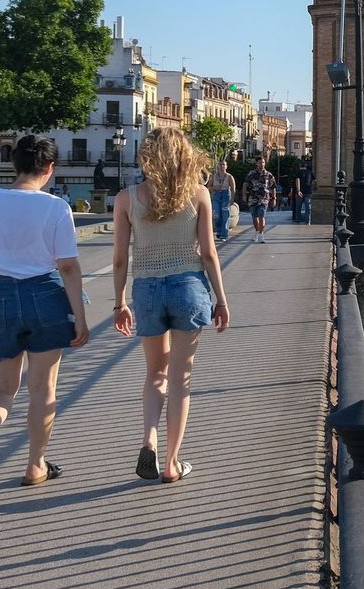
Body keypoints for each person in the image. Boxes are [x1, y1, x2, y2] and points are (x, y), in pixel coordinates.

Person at [0, 135, 91, 492]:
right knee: (42, 389)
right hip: (44, 294)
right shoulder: (56, 207)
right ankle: (35, 465)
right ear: (50, 168)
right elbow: (69, 268)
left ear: (15, 164)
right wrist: (81, 318)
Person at [111, 127, 230, 483]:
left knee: (155, 374)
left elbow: (119, 259)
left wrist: (119, 303)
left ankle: (149, 438)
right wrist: (221, 300)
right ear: (184, 155)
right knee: (181, 378)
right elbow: (208, 253)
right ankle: (171, 463)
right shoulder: (199, 195)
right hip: (189, 287)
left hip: (146, 290)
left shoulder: (126, 198)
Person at [243, 155, 276, 244]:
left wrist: (274, 198)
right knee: (255, 217)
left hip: (264, 198)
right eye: (260, 162)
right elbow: (245, 184)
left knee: (262, 215)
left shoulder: (269, 175)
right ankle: (257, 231)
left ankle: (261, 234)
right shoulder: (251, 174)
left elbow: (273, 187)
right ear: (256, 164)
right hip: (253, 198)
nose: (262, 164)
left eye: (263, 162)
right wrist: (244, 195)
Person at [207, 159, 235, 243]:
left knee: (225, 214)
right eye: (220, 165)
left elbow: (233, 188)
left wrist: (232, 199)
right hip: (216, 195)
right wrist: (214, 188)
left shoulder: (229, 176)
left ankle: (224, 234)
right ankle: (219, 231)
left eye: (224, 165)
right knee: (216, 214)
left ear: (226, 166)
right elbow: (208, 187)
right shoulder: (214, 176)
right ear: (218, 166)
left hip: (225, 195)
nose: (222, 166)